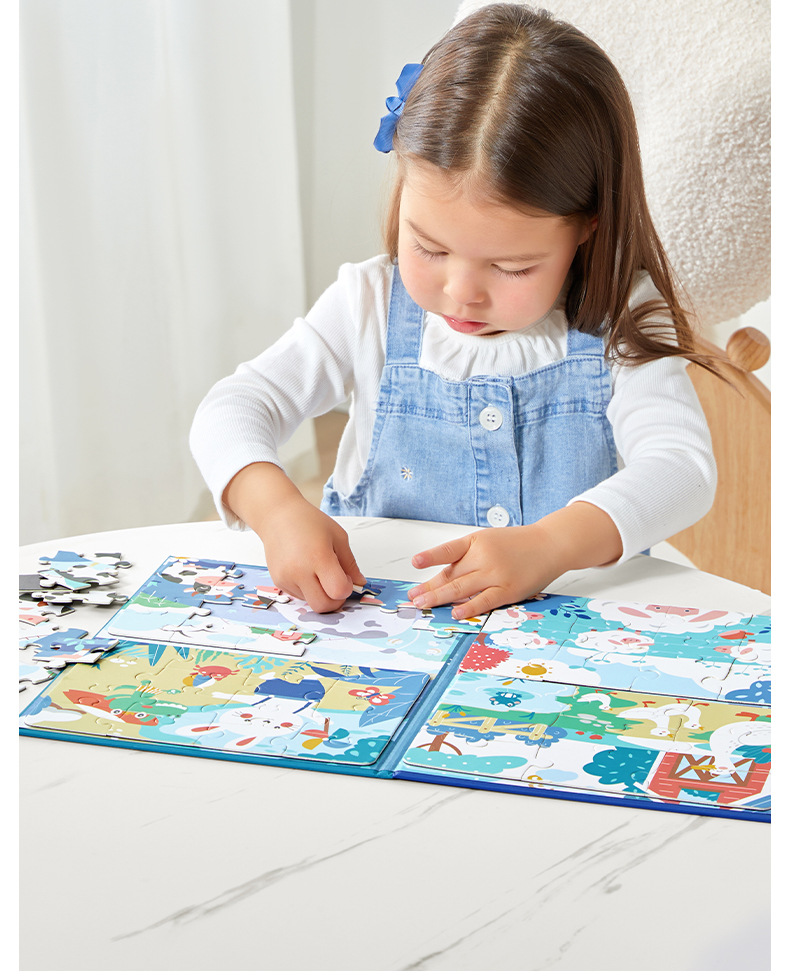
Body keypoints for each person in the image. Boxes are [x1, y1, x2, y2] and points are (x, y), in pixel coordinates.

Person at [189, 2, 717, 621]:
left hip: (569, 631)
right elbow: (233, 408)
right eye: (430, 248)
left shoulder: (622, 317)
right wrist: (276, 509)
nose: (462, 293)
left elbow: (681, 469)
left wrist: (551, 545)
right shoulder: (367, 305)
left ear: (586, 227)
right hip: (384, 627)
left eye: (512, 267)